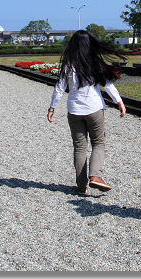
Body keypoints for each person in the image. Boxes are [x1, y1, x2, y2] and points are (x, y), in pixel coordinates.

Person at [48, 30, 127, 195]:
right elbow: (107, 84)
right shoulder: (94, 62)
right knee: (98, 142)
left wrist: (52, 108)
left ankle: (81, 184)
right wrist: (119, 101)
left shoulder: (68, 64)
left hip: (74, 110)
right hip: (94, 109)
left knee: (79, 147)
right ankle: (95, 176)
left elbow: (60, 88)